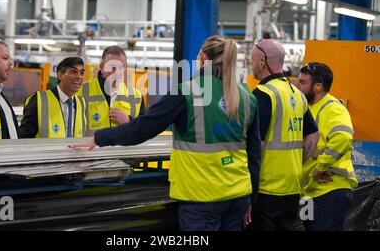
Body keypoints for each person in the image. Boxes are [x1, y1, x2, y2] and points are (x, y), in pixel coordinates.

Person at [72, 35, 261, 231]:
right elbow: (254, 154)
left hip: (202, 196)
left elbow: (142, 129)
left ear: (203, 57)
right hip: (238, 195)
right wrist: (252, 199)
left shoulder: (186, 92)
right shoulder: (247, 96)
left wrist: (99, 137)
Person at [250, 39, 319, 231]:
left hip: (266, 190)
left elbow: (259, 145)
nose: (252, 64)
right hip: (293, 188)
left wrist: (250, 185)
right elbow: (314, 137)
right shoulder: (296, 94)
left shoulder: (263, 94)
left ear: (263, 62)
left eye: (253, 60)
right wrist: (298, 163)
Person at [296, 62, 357, 231]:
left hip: (329, 191)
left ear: (318, 87)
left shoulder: (332, 108)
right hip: (310, 193)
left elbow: (343, 136)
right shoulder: (308, 109)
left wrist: (321, 166)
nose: (296, 87)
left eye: (302, 83)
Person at [76, 46, 145, 136]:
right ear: (102, 67)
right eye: (112, 67)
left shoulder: (136, 96)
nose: (117, 72)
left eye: (121, 67)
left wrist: (129, 121)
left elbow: (145, 130)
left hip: (123, 150)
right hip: (92, 149)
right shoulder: (81, 91)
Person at [19, 57, 86, 138]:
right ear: (60, 75)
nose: (79, 77)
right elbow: (24, 139)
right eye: (73, 72)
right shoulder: (39, 100)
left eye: (81, 73)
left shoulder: (81, 103)